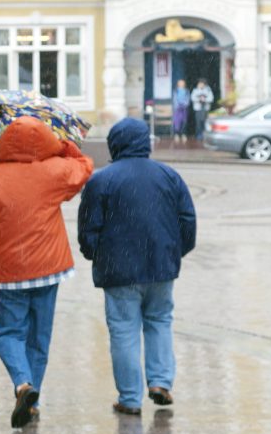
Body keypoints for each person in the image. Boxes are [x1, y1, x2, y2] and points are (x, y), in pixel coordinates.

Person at [0, 117, 93, 428]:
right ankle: (33, 401)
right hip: (49, 268)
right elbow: (84, 165)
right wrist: (62, 147)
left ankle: (22, 385)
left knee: (10, 333)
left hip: (6, 271)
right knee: (39, 338)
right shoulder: (54, 172)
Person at [77, 117, 196, 416]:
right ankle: (160, 382)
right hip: (160, 266)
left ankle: (130, 398)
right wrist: (175, 253)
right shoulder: (169, 176)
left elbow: (89, 229)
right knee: (159, 321)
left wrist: (95, 254)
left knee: (123, 330)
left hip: (119, 271)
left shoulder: (101, 181)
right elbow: (187, 221)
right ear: (146, 143)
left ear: (114, 144)